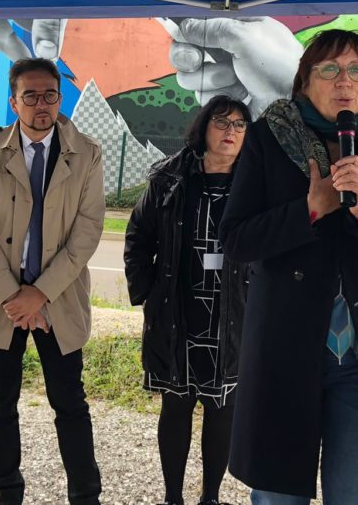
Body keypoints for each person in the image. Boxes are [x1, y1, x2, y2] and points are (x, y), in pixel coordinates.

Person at [219, 29, 358, 504]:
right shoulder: (268, 136)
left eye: (357, 70)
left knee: (357, 495)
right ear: (304, 81)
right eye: (329, 69)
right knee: (278, 494)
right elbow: (236, 239)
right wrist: (310, 210)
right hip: (285, 348)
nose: (345, 81)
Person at [0, 57, 106, 505]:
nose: (42, 105)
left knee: (71, 403)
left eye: (50, 95)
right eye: (31, 96)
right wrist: (13, 295)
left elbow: (88, 230)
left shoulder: (87, 152)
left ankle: (85, 494)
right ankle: (8, 489)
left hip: (57, 299)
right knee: (0, 404)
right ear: (13, 101)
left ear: (61, 98)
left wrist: (39, 294)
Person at [124, 95, 253, 505]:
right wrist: (148, 292)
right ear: (204, 128)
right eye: (222, 122)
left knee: (222, 410)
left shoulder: (256, 185)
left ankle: (210, 497)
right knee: (176, 407)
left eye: (239, 125)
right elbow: (138, 238)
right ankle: (173, 497)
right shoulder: (170, 178)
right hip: (178, 311)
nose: (230, 132)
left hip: (233, 312)